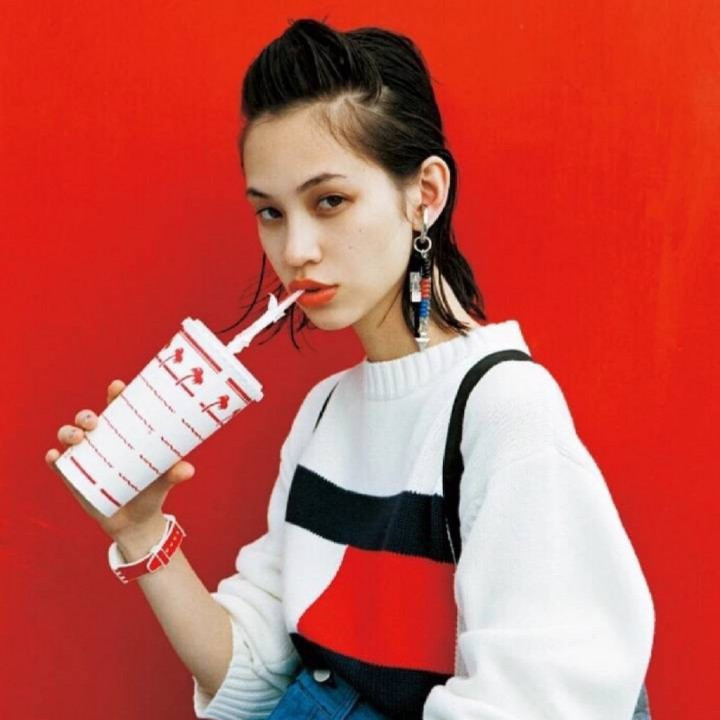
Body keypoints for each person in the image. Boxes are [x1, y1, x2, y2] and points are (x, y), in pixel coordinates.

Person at [45, 18, 655, 720]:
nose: (295, 249)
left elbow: (538, 702)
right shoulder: (325, 412)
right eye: (270, 212)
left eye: (329, 201)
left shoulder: (504, 407)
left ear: (425, 194)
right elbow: (255, 679)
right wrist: (140, 529)